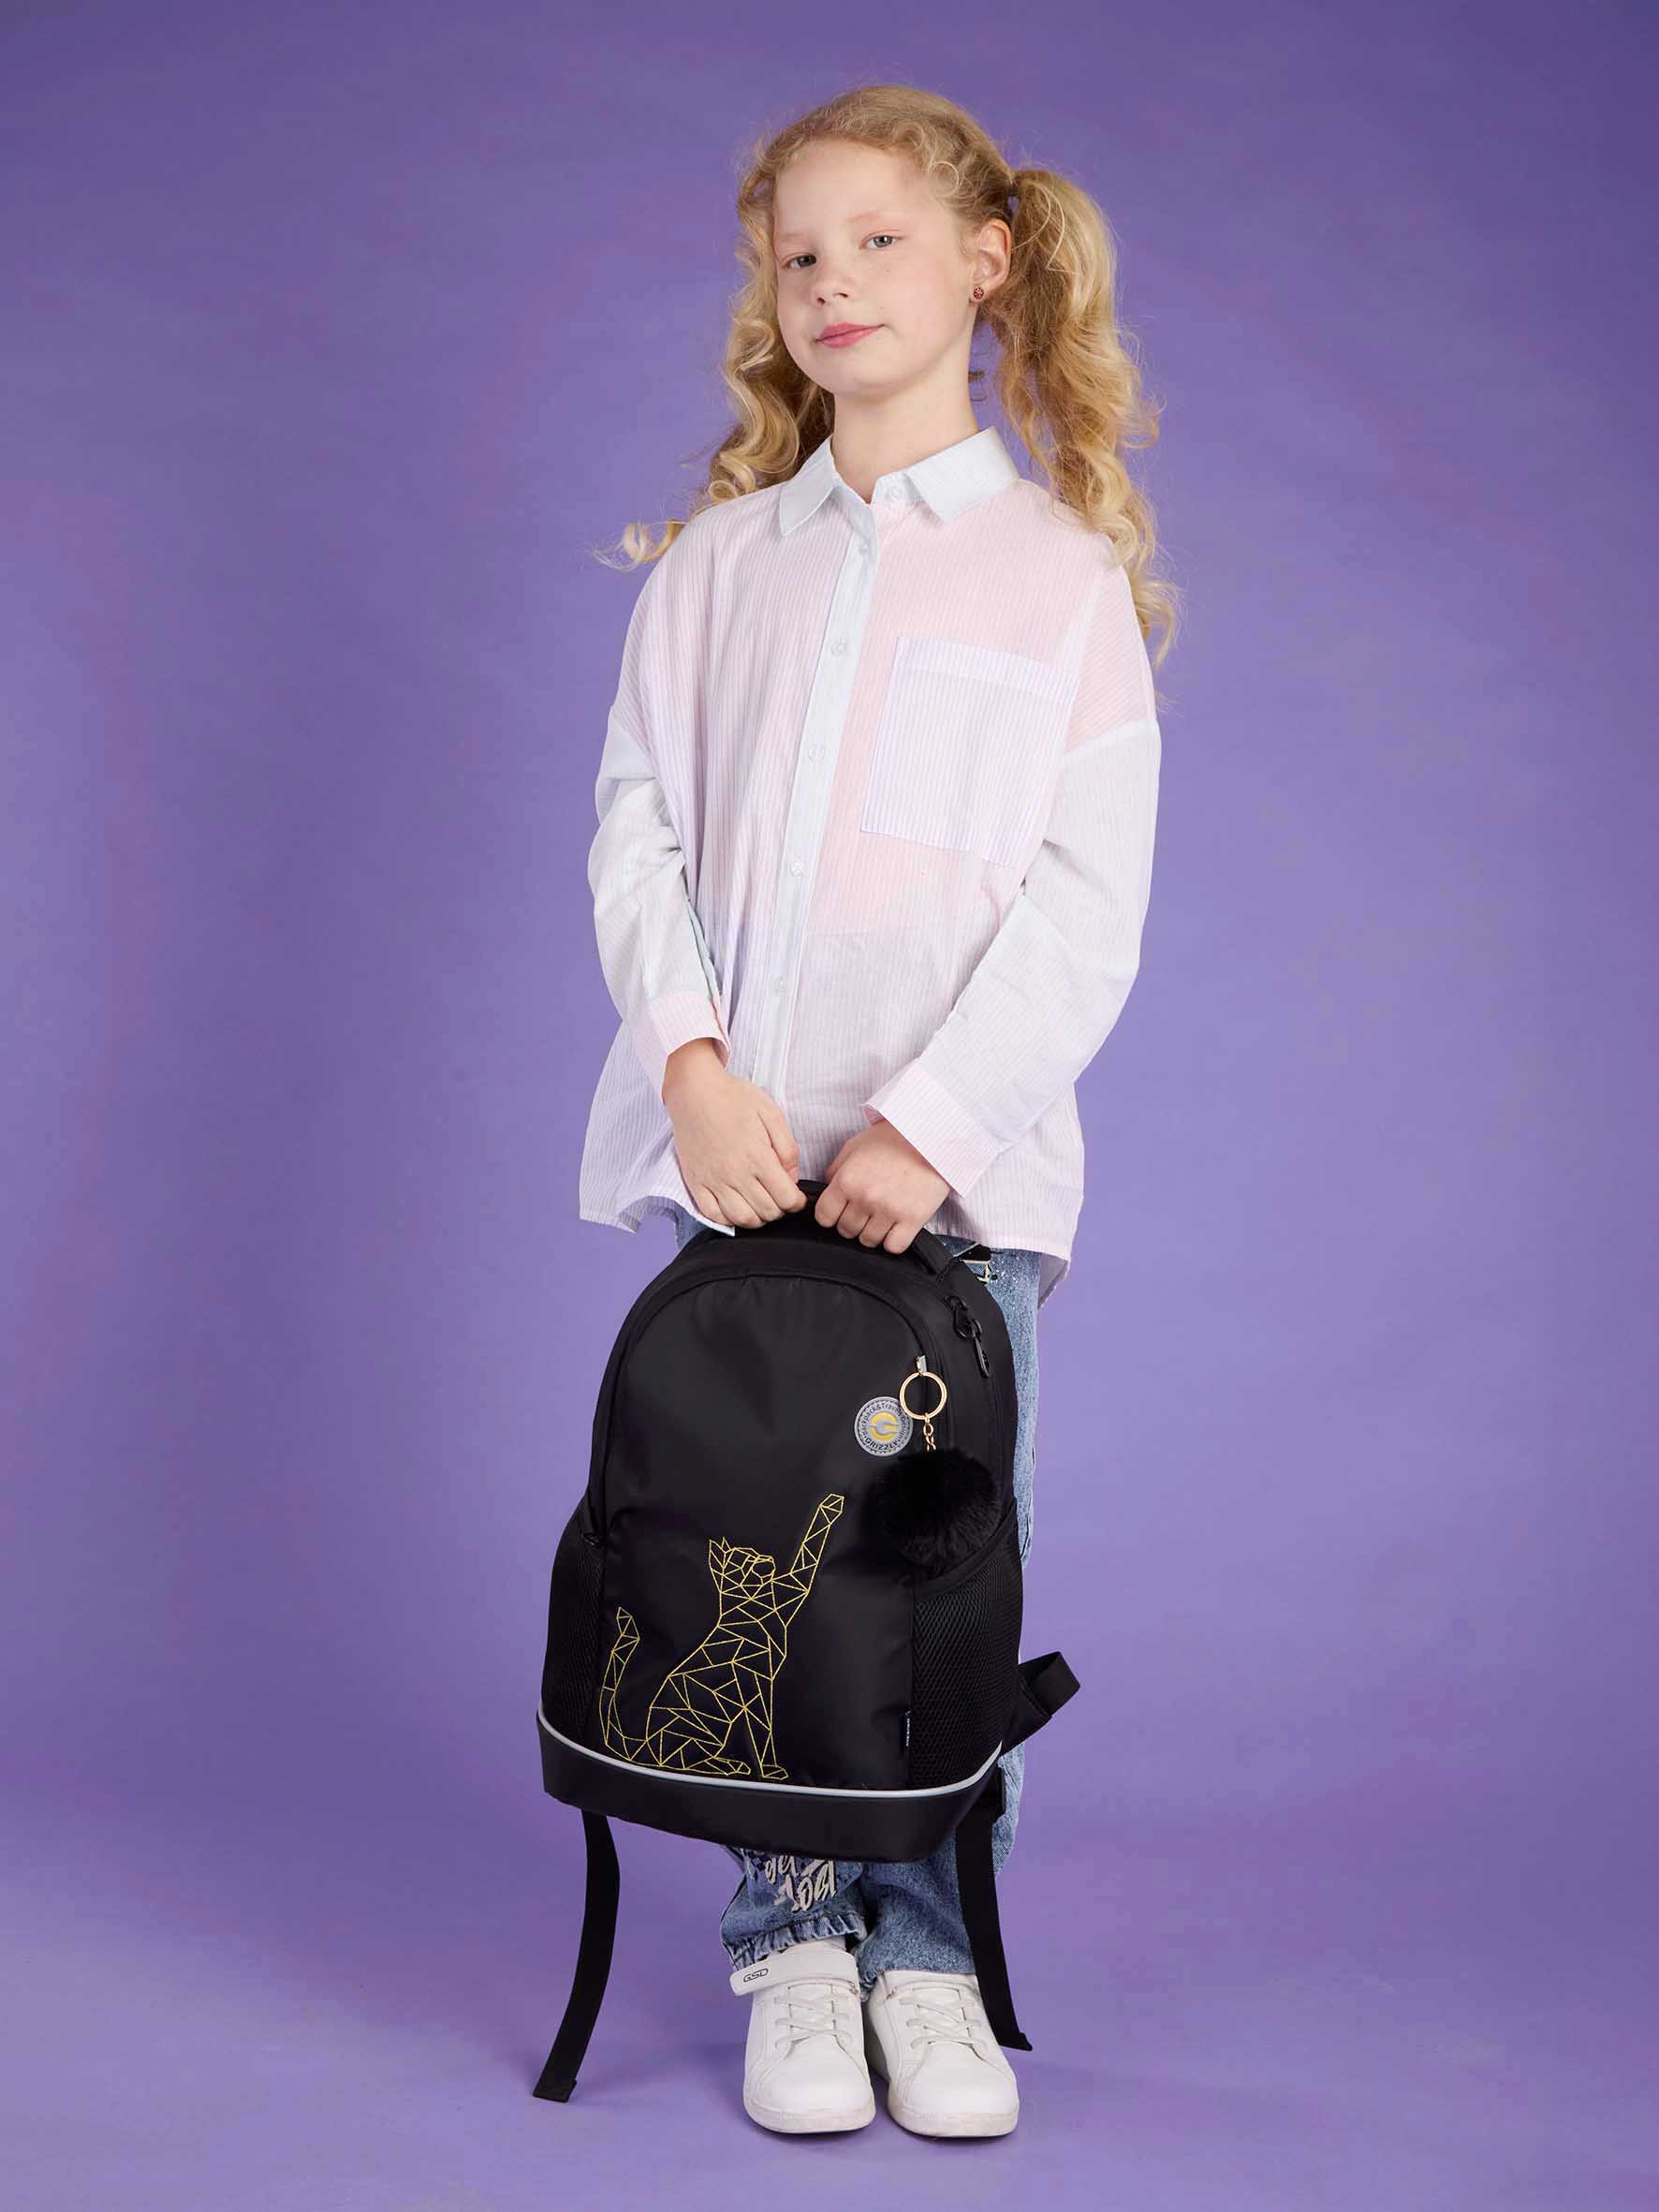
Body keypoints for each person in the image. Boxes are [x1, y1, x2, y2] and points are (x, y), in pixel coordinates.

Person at [577, 82, 1174, 2139]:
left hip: (955, 1200)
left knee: (929, 1576)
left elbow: (1087, 902)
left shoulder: (1056, 578)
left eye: (879, 242)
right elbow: (636, 829)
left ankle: (928, 1955)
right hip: (743, 1170)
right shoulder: (714, 570)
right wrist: (690, 1062)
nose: (831, 283)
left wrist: (929, 1121)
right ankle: (794, 1947)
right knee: (755, 1559)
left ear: (988, 261)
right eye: (796, 254)